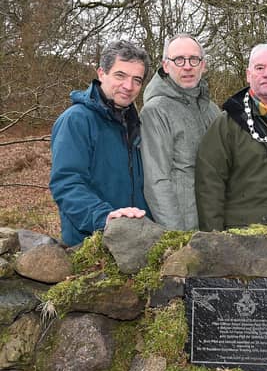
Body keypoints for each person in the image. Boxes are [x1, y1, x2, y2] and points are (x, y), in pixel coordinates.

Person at [195, 44, 267, 231]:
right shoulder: (227, 124)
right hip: (241, 237)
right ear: (249, 75)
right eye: (260, 68)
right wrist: (215, 239)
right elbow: (209, 185)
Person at [50, 40, 151, 246]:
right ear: (101, 73)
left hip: (134, 241)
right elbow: (66, 184)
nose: (128, 86)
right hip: (90, 243)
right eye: (120, 75)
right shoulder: (76, 120)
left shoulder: (133, 122)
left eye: (137, 80)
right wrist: (105, 217)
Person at [140, 34, 221, 231]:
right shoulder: (156, 111)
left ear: (203, 65)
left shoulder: (213, 111)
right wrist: (177, 237)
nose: (187, 66)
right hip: (184, 229)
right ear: (166, 66)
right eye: (179, 60)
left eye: (194, 59)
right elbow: (156, 181)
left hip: (215, 226)